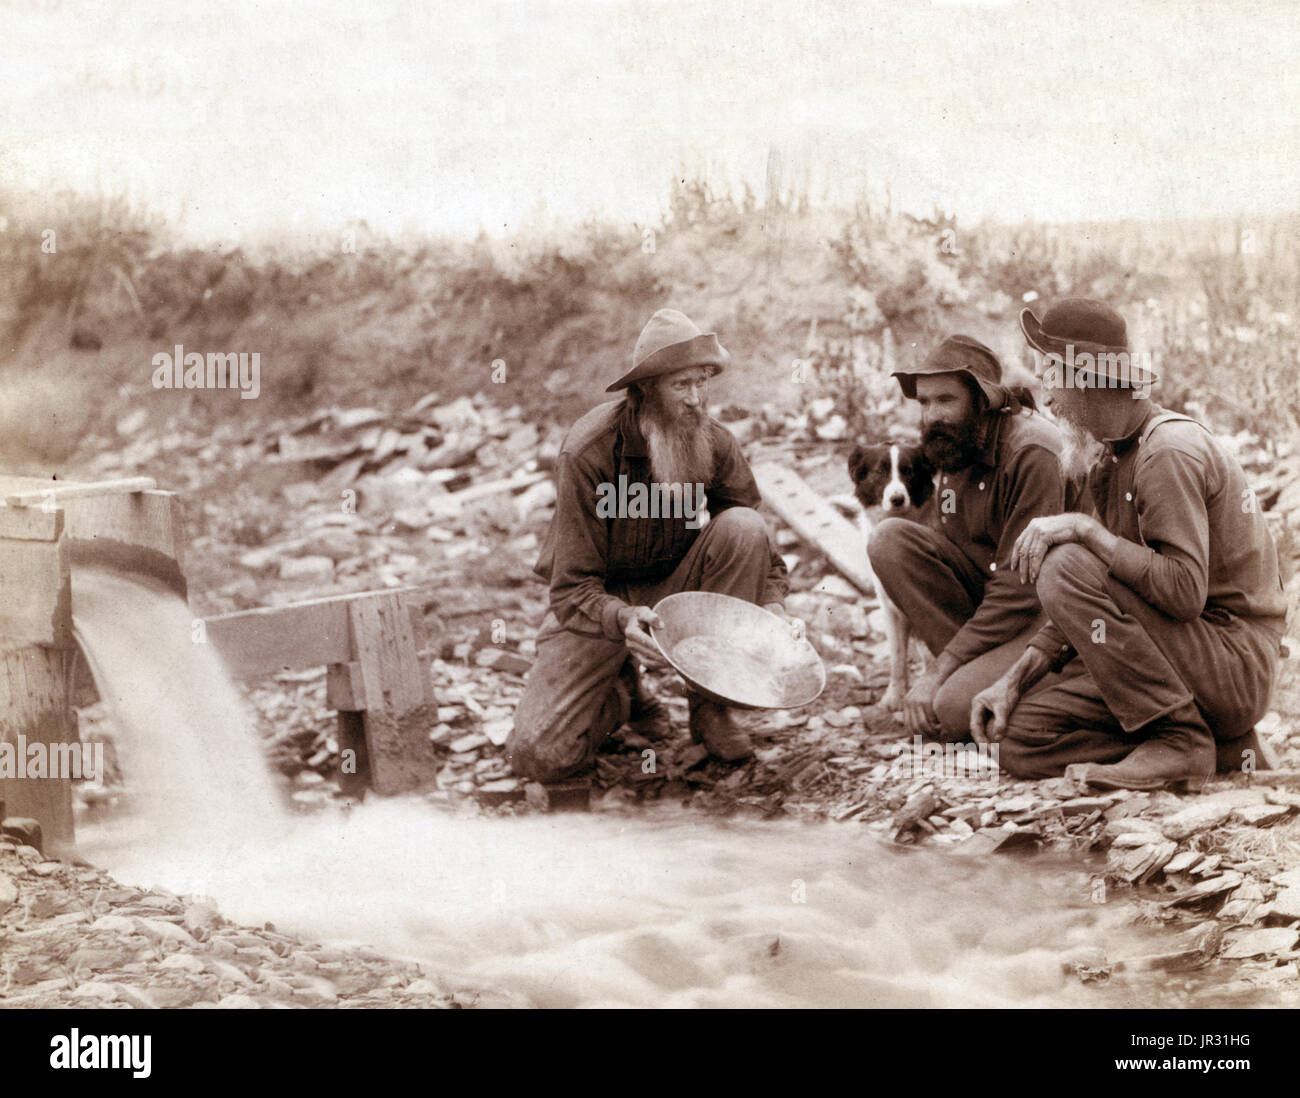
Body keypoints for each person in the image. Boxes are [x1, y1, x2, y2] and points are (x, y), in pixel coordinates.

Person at [970, 298, 1287, 790]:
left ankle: (1180, 742)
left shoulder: (1167, 452)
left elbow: (1183, 594)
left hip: (1232, 665)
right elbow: (1102, 590)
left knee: (1064, 563)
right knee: (1021, 739)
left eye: (1050, 377)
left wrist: (1086, 530)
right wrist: (1014, 681)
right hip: (1186, 662)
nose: (1047, 399)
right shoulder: (1115, 456)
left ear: (1083, 374)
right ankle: (1219, 746)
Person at [506, 309, 790, 782]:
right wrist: (620, 620)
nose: (697, 400)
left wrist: (773, 605)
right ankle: (624, 694)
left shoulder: (715, 442)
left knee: (741, 526)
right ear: (645, 390)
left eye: (703, 382)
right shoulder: (588, 451)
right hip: (599, 604)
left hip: (677, 591)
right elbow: (570, 585)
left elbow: (759, 542)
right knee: (542, 756)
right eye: (681, 385)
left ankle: (710, 709)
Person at [866, 334, 1075, 740]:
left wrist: (938, 671)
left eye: (946, 400)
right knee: (890, 540)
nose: (930, 416)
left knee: (953, 710)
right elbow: (950, 554)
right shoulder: (956, 445)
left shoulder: (1032, 453)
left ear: (984, 401)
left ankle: (1028, 686)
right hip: (992, 612)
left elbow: (1020, 592)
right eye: (924, 403)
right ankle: (973, 676)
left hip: (1044, 621)